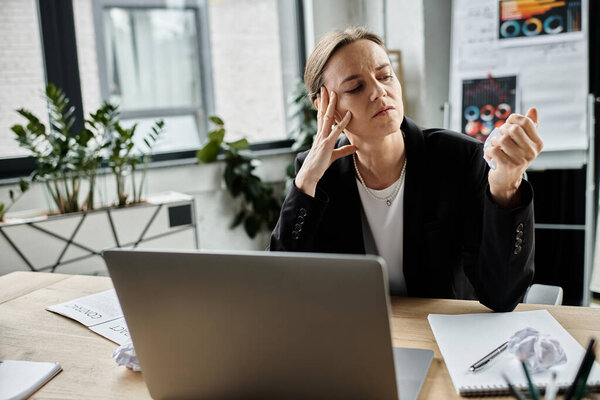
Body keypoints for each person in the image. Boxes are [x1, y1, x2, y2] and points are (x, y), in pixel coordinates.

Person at [269, 27, 543, 312]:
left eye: (385, 75)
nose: (379, 91)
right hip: (358, 331)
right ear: (325, 106)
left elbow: (502, 296)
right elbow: (278, 286)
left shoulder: (458, 158)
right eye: (355, 87)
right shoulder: (318, 174)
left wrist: (506, 186)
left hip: (441, 334)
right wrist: (304, 185)